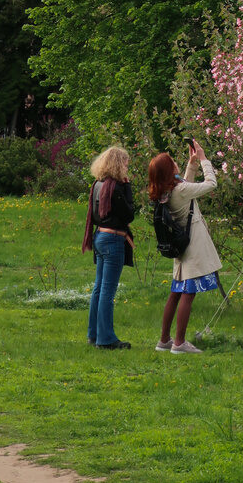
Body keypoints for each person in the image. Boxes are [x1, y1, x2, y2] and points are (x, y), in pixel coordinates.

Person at [149, 139, 221, 354]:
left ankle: (164, 340)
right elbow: (211, 184)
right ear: (168, 170)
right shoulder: (179, 190)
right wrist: (204, 159)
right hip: (192, 246)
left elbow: (185, 187)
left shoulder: (165, 191)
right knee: (188, 293)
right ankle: (179, 343)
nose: (175, 163)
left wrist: (192, 163)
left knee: (175, 292)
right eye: (172, 162)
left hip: (181, 245)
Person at [81, 146, 135, 349]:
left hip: (100, 236)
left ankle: (94, 334)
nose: (127, 167)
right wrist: (127, 187)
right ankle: (106, 339)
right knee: (107, 290)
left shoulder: (98, 184)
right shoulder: (117, 188)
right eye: (126, 163)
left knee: (98, 287)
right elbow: (129, 214)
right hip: (113, 239)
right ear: (118, 164)